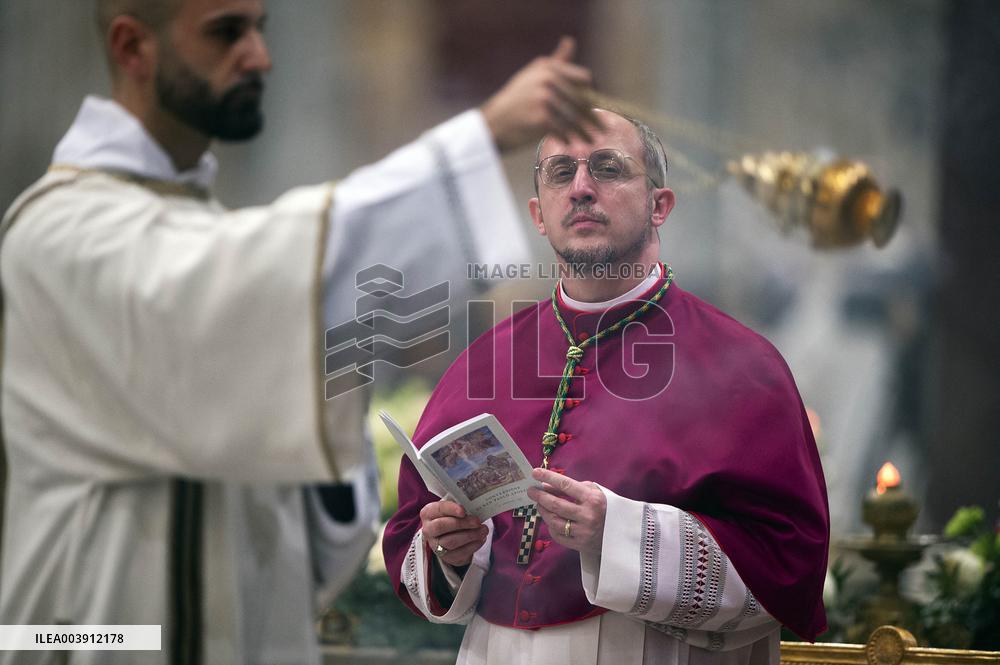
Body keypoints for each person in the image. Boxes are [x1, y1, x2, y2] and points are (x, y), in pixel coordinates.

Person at [0, 0, 603, 663]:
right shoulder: (61, 232)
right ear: (132, 46)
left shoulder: (182, 227)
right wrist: (481, 138)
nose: (260, 57)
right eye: (226, 32)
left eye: (261, 29)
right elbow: (239, 276)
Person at [383, 108, 830, 664]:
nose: (581, 188)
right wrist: (452, 552)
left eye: (608, 168)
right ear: (539, 215)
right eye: (560, 173)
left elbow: (787, 567)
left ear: (659, 205)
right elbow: (414, 535)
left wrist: (615, 534)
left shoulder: (744, 368)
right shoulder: (486, 361)